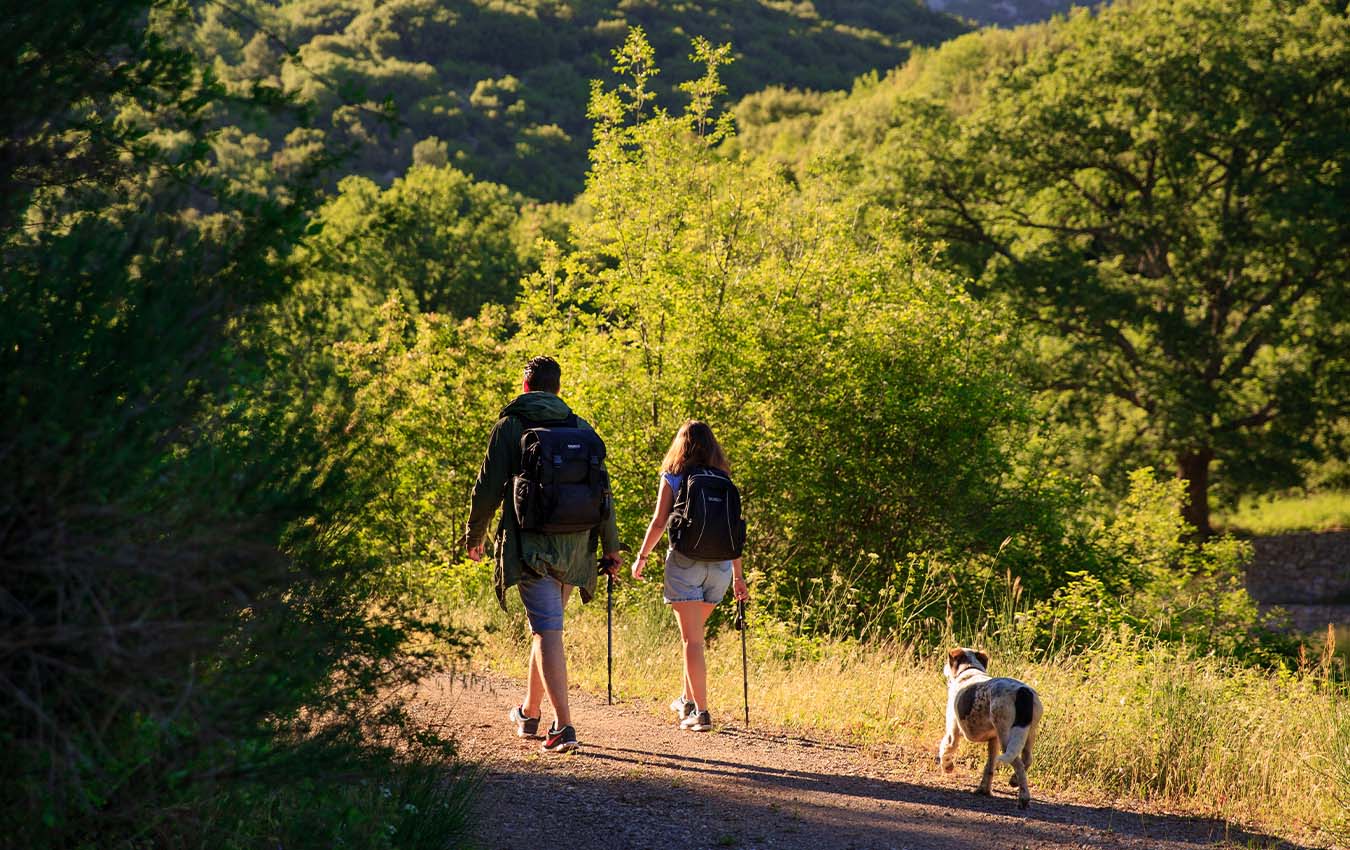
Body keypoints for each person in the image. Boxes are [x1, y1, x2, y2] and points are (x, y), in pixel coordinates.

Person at [465, 356, 623, 753]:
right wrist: (611, 546)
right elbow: (603, 493)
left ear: (525, 385)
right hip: (576, 547)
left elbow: (487, 488)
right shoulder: (580, 426)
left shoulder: (511, 425)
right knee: (546, 627)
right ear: (557, 387)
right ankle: (530, 712)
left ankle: (564, 727)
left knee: (547, 631)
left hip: (531, 545)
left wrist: (474, 535)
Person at [632, 420, 748, 732]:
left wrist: (641, 558)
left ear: (680, 445)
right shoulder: (723, 479)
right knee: (694, 638)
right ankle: (686, 699)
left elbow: (659, 522)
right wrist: (738, 577)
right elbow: (733, 531)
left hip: (685, 564)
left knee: (692, 641)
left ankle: (702, 712)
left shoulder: (674, 476)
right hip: (721, 568)